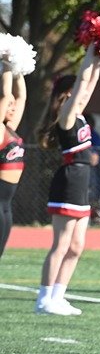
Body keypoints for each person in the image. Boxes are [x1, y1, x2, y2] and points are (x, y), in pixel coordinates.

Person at [35, 44, 100, 315]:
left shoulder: (81, 116)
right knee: (61, 244)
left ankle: (59, 296)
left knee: (76, 246)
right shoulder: (66, 117)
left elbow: (91, 80)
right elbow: (84, 80)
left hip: (82, 181)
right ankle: (44, 299)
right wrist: (88, 54)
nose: (83, 95)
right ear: (67, 94)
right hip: (69, 179)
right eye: (77, 92)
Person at [0, 64, 27, 259]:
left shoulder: (11, 129)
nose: (13, 107)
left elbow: (21, 97)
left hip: (6, 206)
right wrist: (7, 63)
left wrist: (19, 68)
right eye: (8, 105)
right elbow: (5, 94)